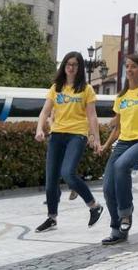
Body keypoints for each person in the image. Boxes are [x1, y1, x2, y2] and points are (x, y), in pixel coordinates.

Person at [33, 52, 104, 232]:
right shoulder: (56, 88)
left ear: (80, 68)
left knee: (68, 173)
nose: (71, 67)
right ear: (63, 66)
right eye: (68, 64)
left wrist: (95, 137)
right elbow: (45, 112)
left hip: (77, 135)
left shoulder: (86, 89)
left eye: (75, 64)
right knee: (50, 179)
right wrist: (39, 129)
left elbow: (92, 115)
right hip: (57, 135)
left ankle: (94, 206)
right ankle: (52, 218)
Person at [98, 54, 138, 245]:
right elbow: (118, 128)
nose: (129, 70)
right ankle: (117, 231)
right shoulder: (121, 97)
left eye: (133, 66)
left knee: (121, 166)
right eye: (127, 66)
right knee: (108, 188)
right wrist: (105, 146)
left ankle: (126, 213)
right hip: (123, 143)